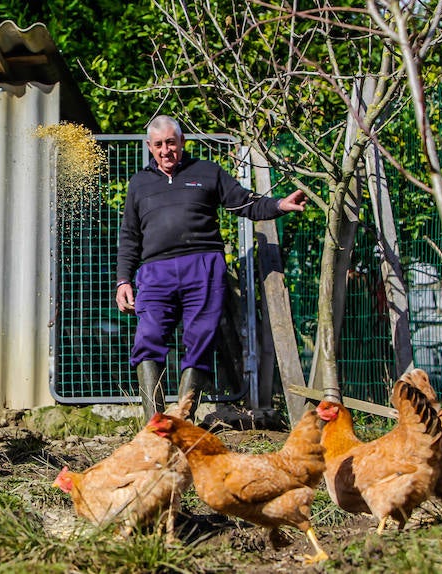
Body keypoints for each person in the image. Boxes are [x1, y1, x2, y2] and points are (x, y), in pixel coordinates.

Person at [115, 115, 306, 421]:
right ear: (150, 147)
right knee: (148, 337)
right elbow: (129, 235)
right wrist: (123, 279)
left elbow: (243, 202)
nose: (166, 150)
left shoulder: (207, 172)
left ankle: (183, 421)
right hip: (155, 272)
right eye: (159, 144)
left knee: (201, 339)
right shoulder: (139, 183)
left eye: (171, 142)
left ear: (182, 142)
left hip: (203, 266)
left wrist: (278, 205)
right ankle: (153, 426)